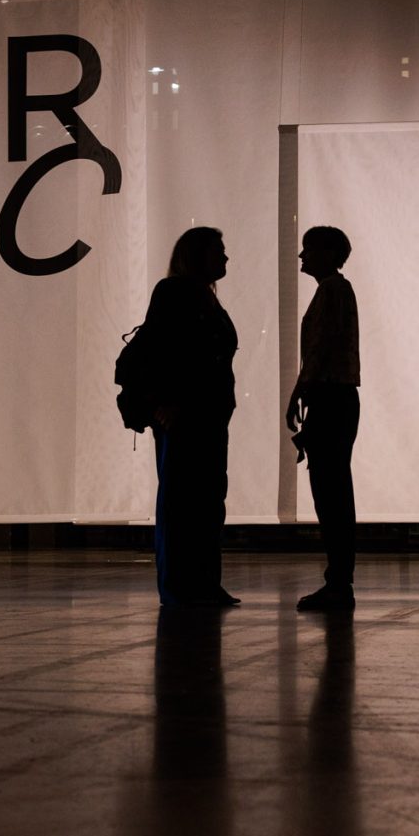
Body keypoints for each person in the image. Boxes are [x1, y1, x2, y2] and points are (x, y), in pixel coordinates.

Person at [143, 226, 239, 607]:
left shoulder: (206, 298)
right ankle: (180, 587)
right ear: (197, 256)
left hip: (209, 417)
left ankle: (204, 583)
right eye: (218, 250)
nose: (225, 257)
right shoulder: (173, 293)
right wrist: (167, 402)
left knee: (207, 501)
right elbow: (160, 350)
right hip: (183, 417)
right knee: (182, 502)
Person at [286, 225, 360, 611]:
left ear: (329, 254)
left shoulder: (332, 290)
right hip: (333, 398)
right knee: (332, 491)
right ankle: (338, 580)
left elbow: (319, 349)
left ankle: (339, 582)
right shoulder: (334, 290)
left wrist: (300, 392)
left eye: (309, 249)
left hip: (331, 398)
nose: (302, 256)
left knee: (331, 493)